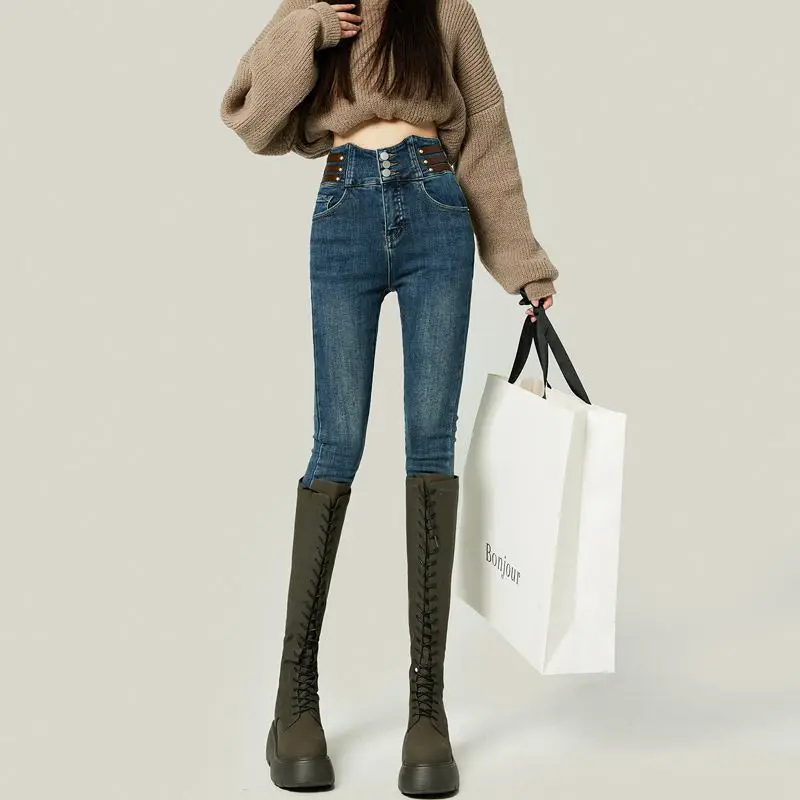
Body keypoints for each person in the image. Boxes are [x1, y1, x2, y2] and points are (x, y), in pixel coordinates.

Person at [219, 0, 559, 794]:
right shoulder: (317, 8)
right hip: (343, 209)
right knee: (336, 442)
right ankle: (294, 701)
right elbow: (251, 114)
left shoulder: (445, 9)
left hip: (436, 207)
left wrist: (524, 267)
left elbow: (486, 132)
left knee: (431, 444)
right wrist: (309, 28)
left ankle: (426, 711)